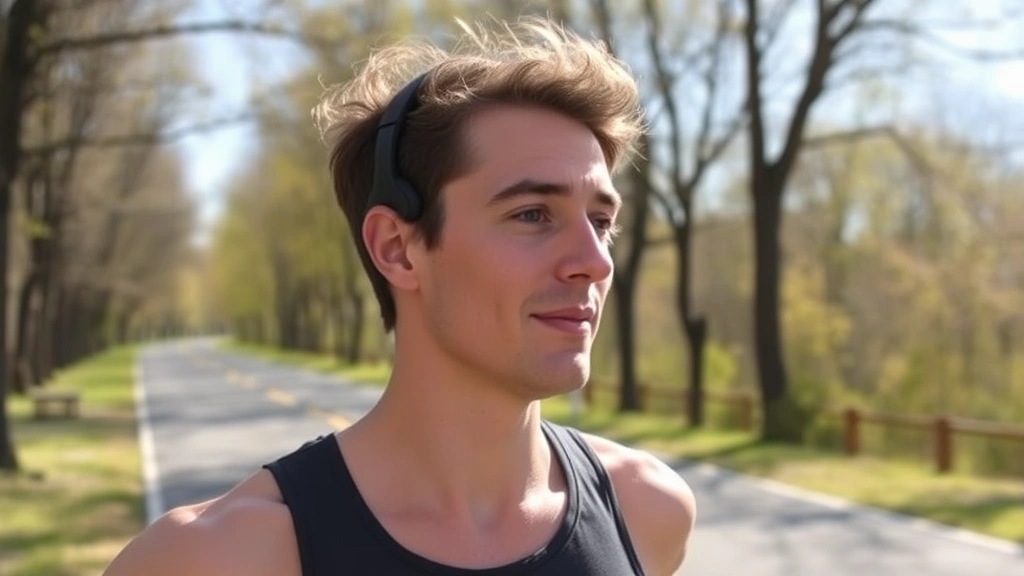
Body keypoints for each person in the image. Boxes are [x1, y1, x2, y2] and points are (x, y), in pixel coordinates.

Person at [103, 15, 696, 576]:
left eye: (600, 221)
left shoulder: (649, 513)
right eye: (534, 213)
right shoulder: (218, 558)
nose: (594, 263)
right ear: (397, 247)